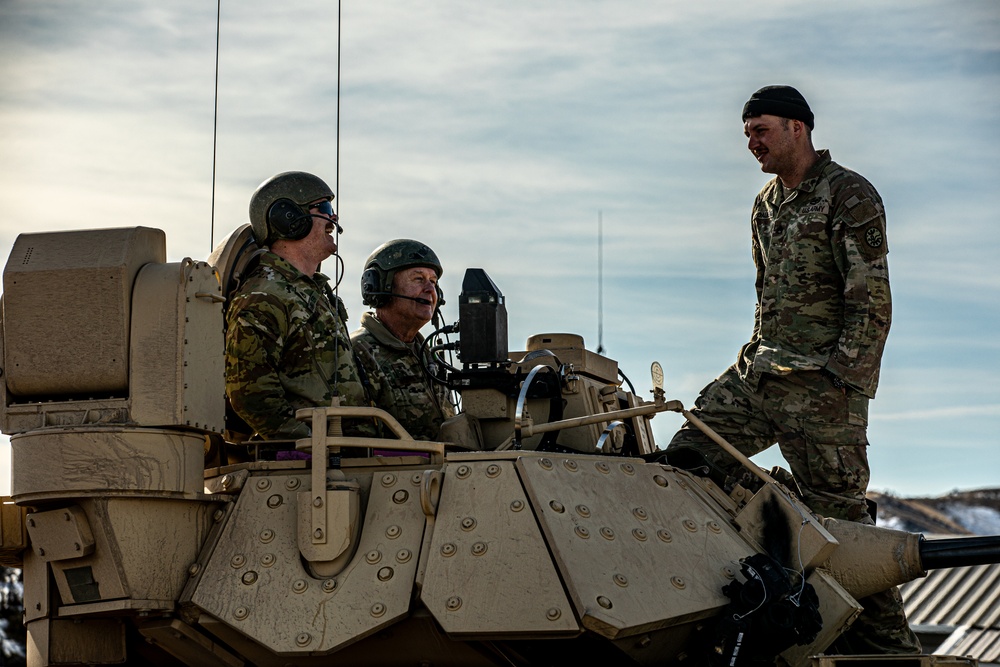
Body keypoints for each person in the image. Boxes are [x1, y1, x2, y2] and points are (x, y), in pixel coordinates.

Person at [666, 86, 919, 654]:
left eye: (761, 130)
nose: (751, 143)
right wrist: (752, 359)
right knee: (686, 458)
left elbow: (871, 302)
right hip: (759, 375)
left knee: (844, 532)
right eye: (747, 133)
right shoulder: (764, 204)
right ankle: (763, 554)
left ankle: (889, 655)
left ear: (798, 129)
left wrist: (843, 385)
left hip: (822, 387)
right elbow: (766, 299)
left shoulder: (848, 195)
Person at [225, 171, 370, 441]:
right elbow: (250, 393)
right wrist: (305, 445)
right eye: (325, 208)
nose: (333, 218)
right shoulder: (265, 295)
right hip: (312, 466)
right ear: (288, 218)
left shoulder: (311, 293)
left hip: (345, 455)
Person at [351, 239, 455, 441]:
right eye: (418, 279)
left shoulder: (430, 357)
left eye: (433, 282)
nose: (430, 290)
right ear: (382, 286)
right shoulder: (357, 351)